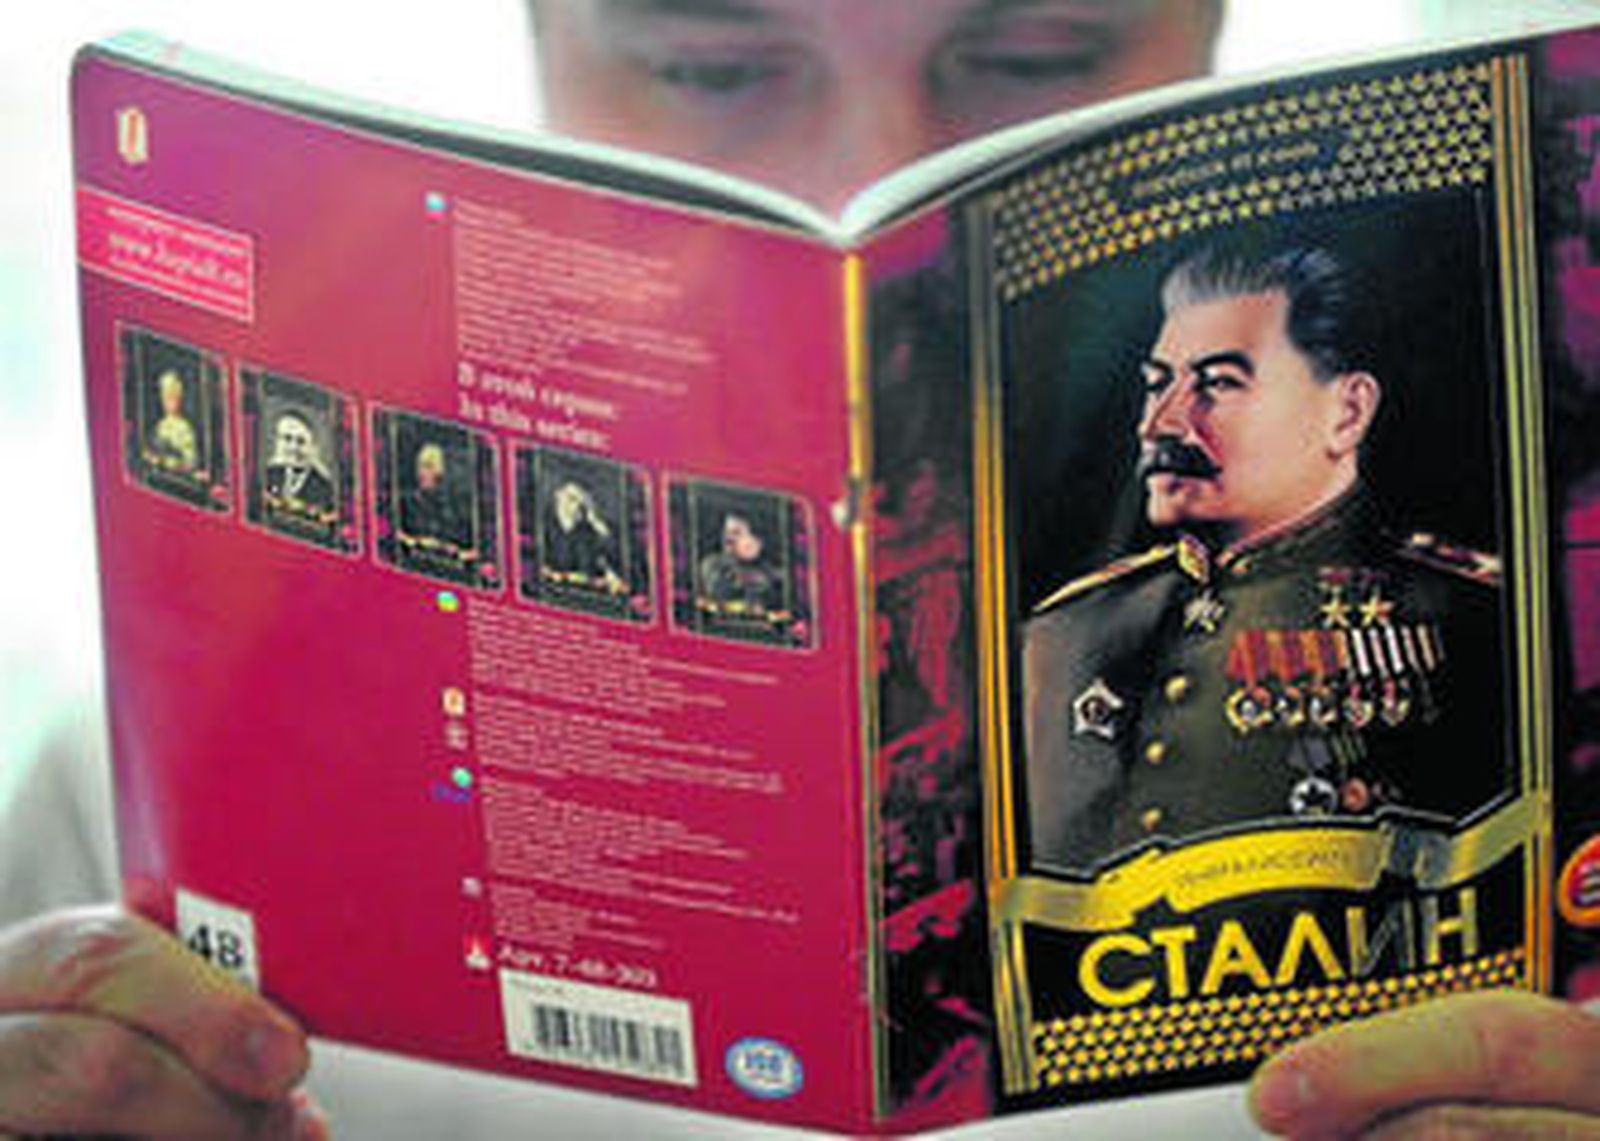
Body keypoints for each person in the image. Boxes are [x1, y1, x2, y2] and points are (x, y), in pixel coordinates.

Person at [5, 3, 1597, 1139]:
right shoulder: (147, 800)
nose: (863, 187)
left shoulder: (1536, 677)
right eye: (711, 66)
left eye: (1036, 57)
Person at [1023, 243, 1506, 871]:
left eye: (1218, 384)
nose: (1160, 424)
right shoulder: (1064, 634)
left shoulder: (1474, 618)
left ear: (1347, 412)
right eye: (1158, 384)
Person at [542, 479, 625, 591]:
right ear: (558, 494)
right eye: (571, 498)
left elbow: (609, 562)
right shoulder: (543, 525)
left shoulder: (587, 533)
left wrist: (596, 522)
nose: (575, 505)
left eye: (581, 501)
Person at [698, 510, 781, 611]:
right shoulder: (712, 564)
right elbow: (721, 592)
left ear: (757, 541)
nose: (728, 538)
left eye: (736, 533)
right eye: (726, 532)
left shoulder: (770, 570)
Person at [263, 409, 334, 513]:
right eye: (287, 438)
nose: (293, 448)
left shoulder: (323, 487)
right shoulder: (270, 473)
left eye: (301, 441)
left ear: (314, 447)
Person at [150, 368, 199, 472]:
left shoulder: (184, 428)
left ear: (180, 399)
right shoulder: (161, 425)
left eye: (172, 397)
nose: (168, 402)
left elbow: (190, 462)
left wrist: (166, 462)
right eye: (165, 397)